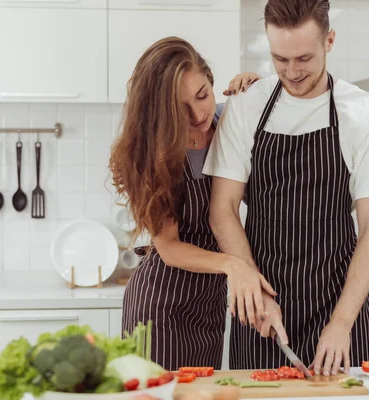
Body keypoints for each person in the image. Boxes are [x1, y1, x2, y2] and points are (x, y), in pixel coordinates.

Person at [203, 0, 369, 375]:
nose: (292, 72)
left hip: (339, 303)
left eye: (304, 59)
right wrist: (257, 293)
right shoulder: (246, 106)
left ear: (329, 41)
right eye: (280, 59)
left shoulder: (364, 115)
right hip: (261, 309)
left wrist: (342, 322)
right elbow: (223, 211)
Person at [108, 36, 274, 371]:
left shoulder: (230, 123)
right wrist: (233, 264)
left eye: (203, 95)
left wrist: (258, 90)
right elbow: (168, 248)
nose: (199, 114)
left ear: (212, 83)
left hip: (209, 308)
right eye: (181, 108)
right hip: (160, 310)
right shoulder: (154, 156)